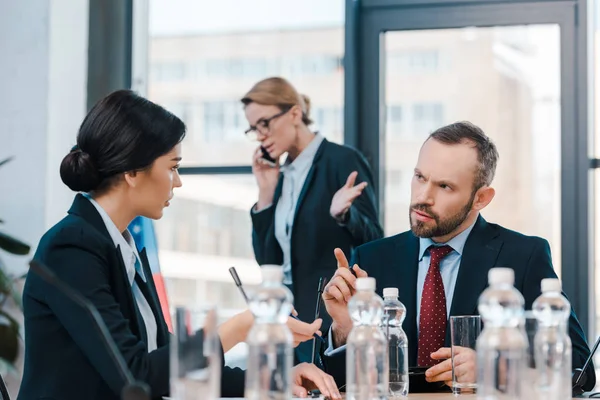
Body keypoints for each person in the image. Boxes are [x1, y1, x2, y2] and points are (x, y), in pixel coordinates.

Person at [17, 90, 341, 400]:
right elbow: (136, 375)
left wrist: (276, 382)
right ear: (132, 171)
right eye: (172, 167)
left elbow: (168, 367)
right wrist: (241, 326)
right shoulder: (72, 247)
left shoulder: (120, 248)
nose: (178, 181)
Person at [320, 121, 595, 392]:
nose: (423, 197)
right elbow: (340, 384)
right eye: (420, 177)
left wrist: (494, 368)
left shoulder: (524, 256)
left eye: (445, 187)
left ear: (481, 198)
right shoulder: (371, 259)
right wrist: (344, 328)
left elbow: (580, 371)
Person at [243, 77, 383, 361]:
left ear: (294, 113)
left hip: (332, 318)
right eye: (253, 128)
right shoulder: (281, 176)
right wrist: (266, 193)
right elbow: (268, 262)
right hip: (290, 320)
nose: (260, 135)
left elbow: (375, 242)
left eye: (264, 124)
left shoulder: (342, 161)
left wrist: (344, 215)